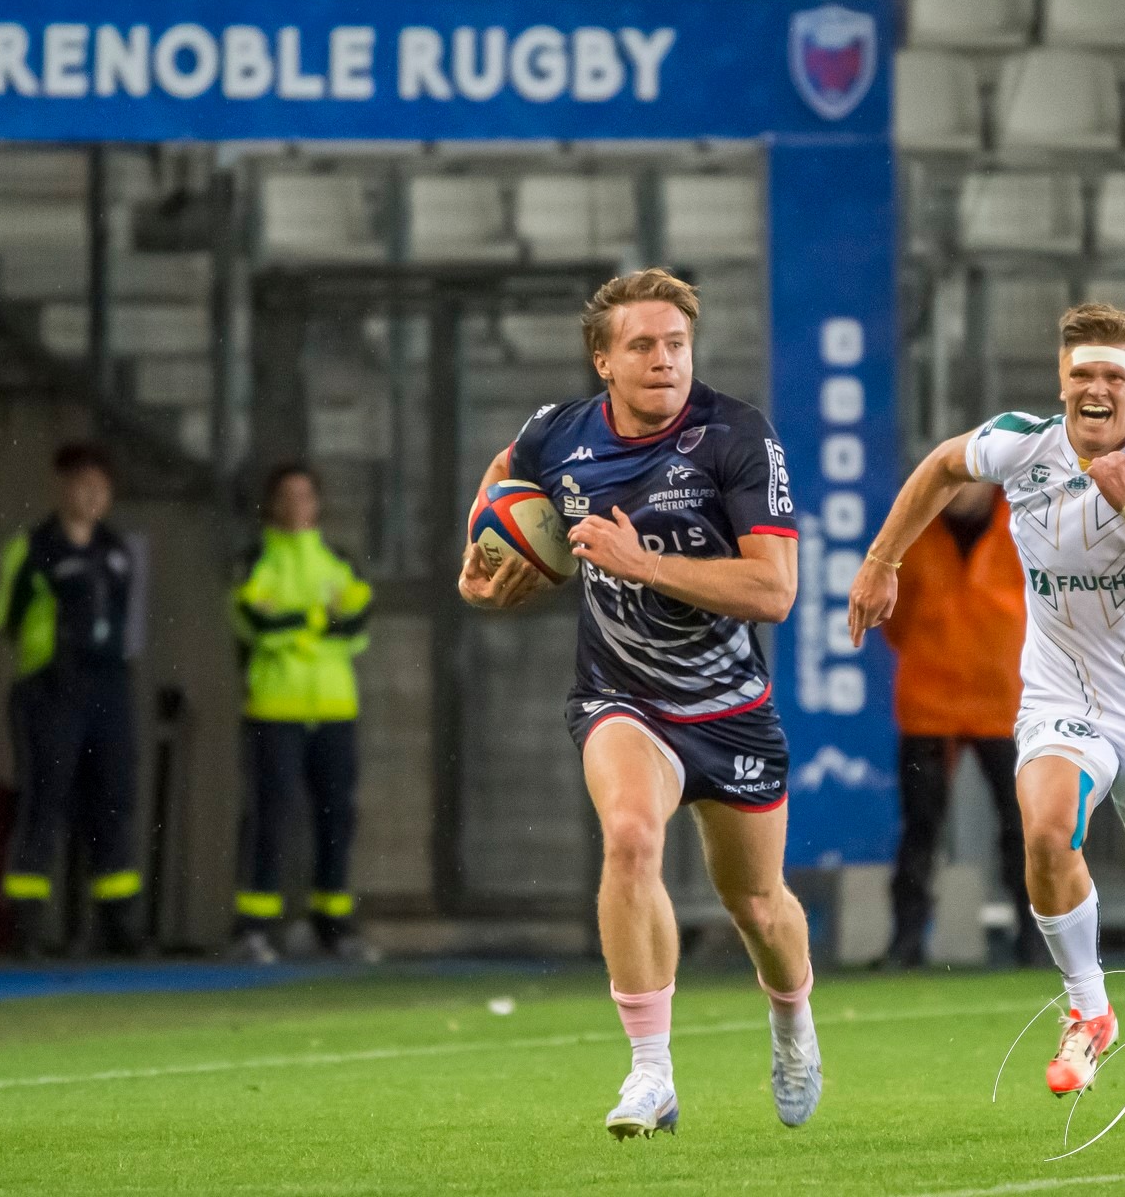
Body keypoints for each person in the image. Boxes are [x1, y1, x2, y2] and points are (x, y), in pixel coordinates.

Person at [848, 303, 1125, 1120]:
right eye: (1084, 376)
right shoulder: (1021, 445)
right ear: (1063, 382)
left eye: (1115, 377)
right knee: (1043, 824)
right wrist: (882, 561)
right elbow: (940, 468)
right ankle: (1088, 1009)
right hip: (1062, 700)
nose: (1098, 391)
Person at [460, 269, 821, 1138]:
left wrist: (642, 562)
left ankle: (793, 1021)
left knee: (759, 904)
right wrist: (480, 566)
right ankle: (651, 1074)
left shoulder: (736, 436)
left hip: (730, 705)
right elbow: (502, 485)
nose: (664, 362)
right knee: (628, 837)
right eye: (642, 347)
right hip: (622, 698)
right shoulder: (557, 435)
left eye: (677, 345)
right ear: (603, 360)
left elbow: (775, 590)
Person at [877, 481, 1038, 970]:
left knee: (1023, 828)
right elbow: (894, 613)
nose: (957, 491)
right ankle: (906, 940)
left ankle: (1035, 935)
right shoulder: (914, 526)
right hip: (930, 700)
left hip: (1005, 699)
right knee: (920, 828)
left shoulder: (1024, 522)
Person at [0, 442, 143, 959]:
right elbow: (4, 620)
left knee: (113, 802)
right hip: (51, 690)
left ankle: (116, 923)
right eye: (84, 484)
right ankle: (27, 928)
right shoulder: (33, 547)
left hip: (108, 689)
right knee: (44, 802)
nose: (94, 495)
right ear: (63, 486)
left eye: (103, 487)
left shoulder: (117, 550)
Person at [228, 463, 375, 965]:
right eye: (286, 495)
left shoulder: (338, 559)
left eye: (305, 494)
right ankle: (253, 927)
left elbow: (357, 623)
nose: (296, 504)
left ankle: (333, 925)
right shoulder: (255, 559)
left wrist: (293, 623)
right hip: (275, 707)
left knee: (337, 816)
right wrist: (318, 619)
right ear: (272, 504)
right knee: (271, 817)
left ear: (317, 503)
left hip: (335, 707)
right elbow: (253, 624)